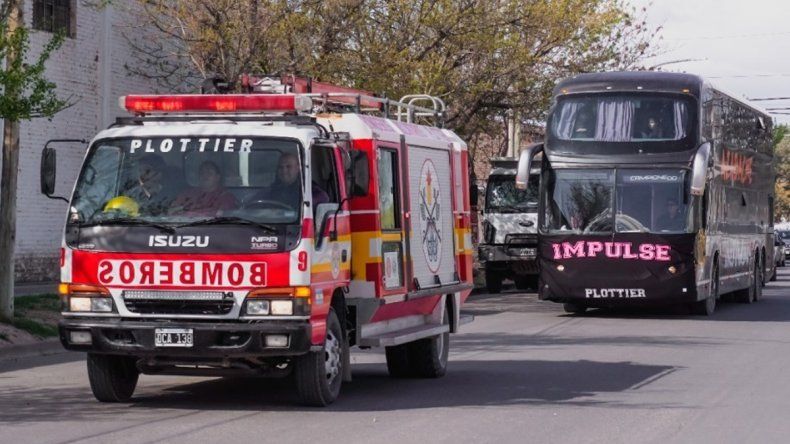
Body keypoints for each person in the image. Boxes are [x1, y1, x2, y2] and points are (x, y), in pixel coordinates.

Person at [251, 152, 329, 208]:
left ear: (298, 168)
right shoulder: (273, 189)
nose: (284, 171)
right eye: (280, 167)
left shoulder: (307, 188)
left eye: (288, 167)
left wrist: (300, 206)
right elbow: (255, 201)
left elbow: (324, 197)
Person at [171, 161, 239, 216]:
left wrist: (188, 213)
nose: (205, 175)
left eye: (209, 173)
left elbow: (221, 216)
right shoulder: (188, 193)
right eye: (202, 173)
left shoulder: (226, 197)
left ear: (217, 177)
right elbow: (172, 210)